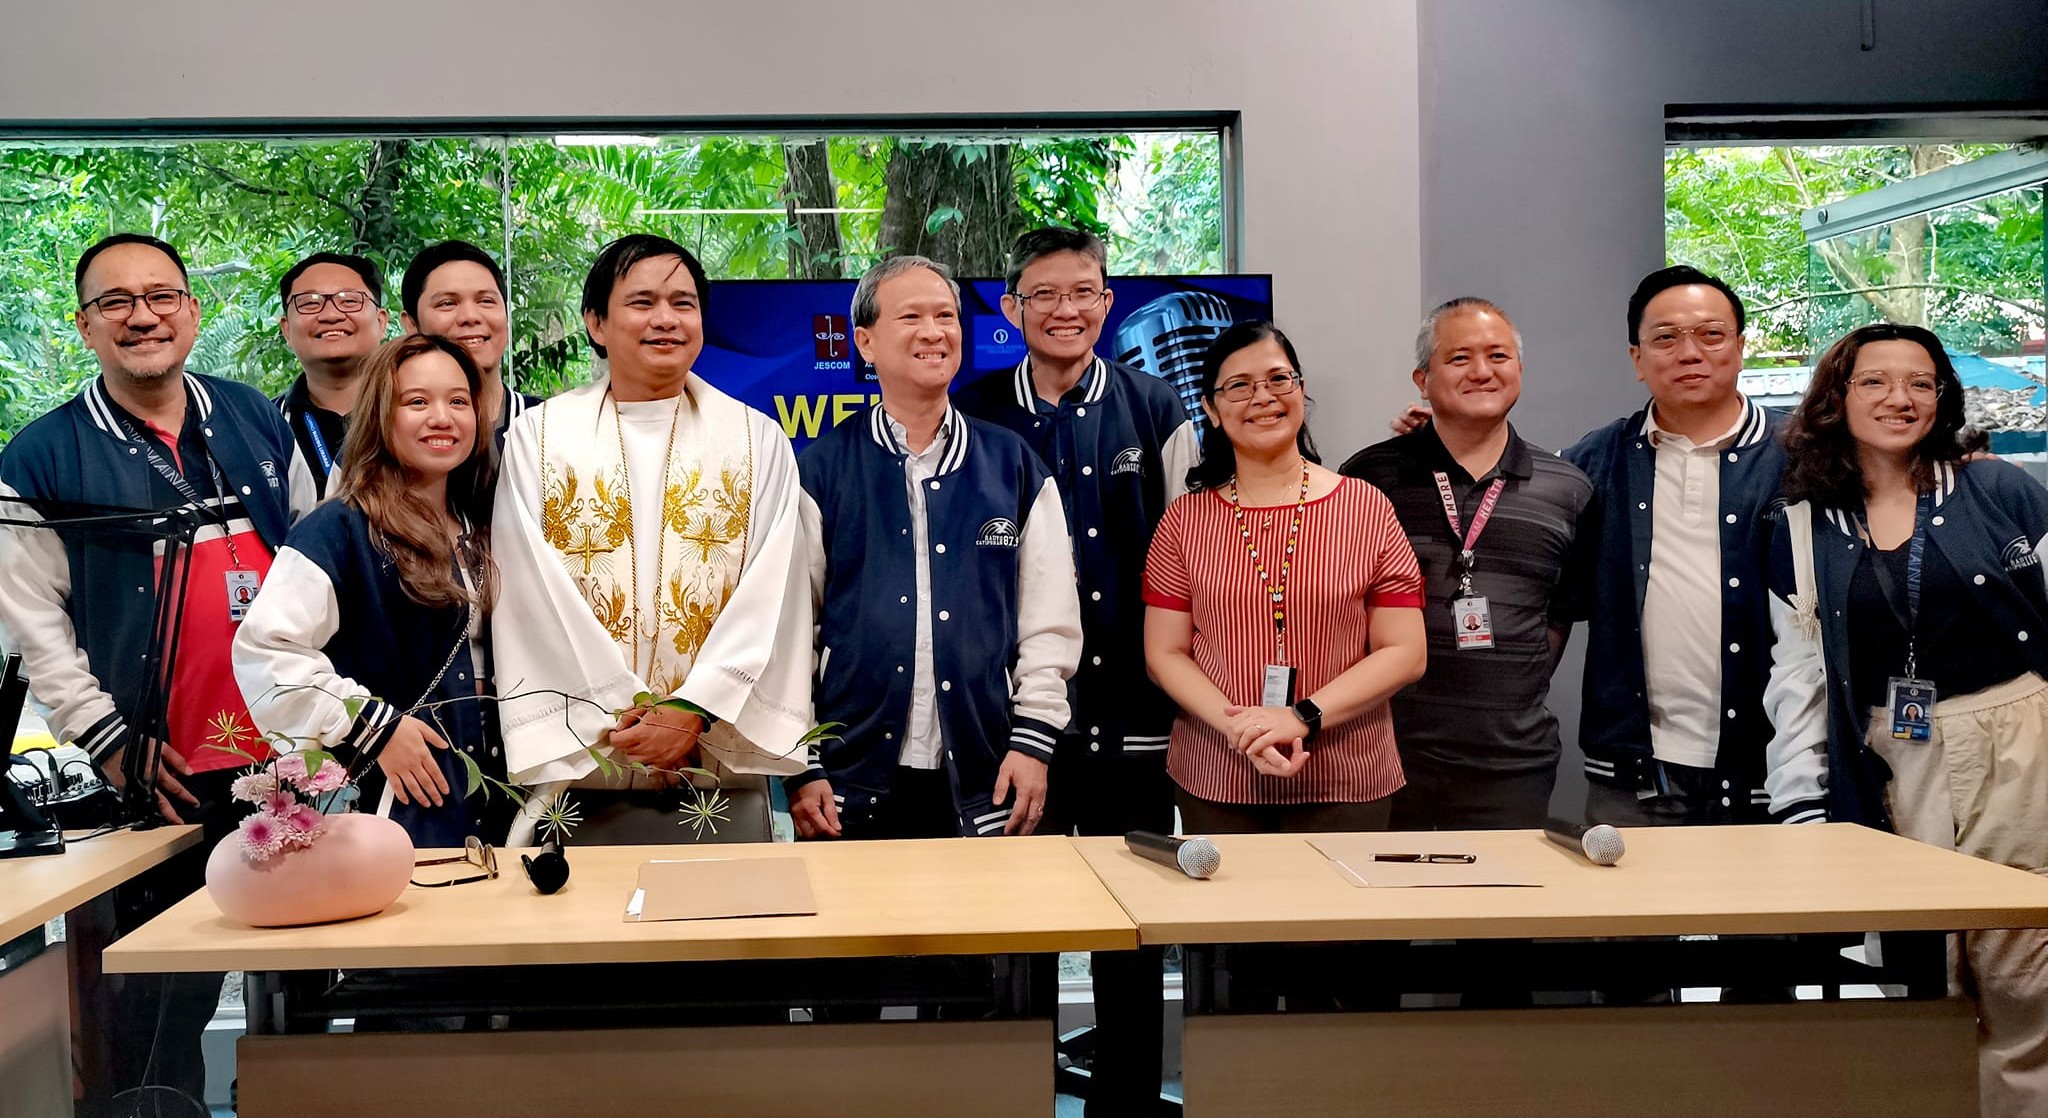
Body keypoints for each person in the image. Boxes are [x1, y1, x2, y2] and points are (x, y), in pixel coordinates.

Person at [0, 232, 313, 1113]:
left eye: (162, 295)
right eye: (116, 303)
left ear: (193, 310)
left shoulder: (252, 415)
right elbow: (34, 628)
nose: (143, 316)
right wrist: (105, 741)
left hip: (289, 766)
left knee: (303, 990)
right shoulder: (41, 458)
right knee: (157, 1015)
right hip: (162, 778)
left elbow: (310, 563)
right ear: (84, 327)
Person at [1762, 323, 2048, 1117]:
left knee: (2024, 964)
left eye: (1920, 383)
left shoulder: (2002, 490)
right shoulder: (1801, 523)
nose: (1900, 399)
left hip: (2020, 740)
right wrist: (1802, 801)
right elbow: (1800, 674)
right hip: (1892, 749)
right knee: (1926, 969)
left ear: (1943, 396)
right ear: (1838, 397)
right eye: (1876, 382)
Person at [952, 227, 1194, 1115]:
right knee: (1017, 931)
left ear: (1106, 304)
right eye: (1043, 295)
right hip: (1013, 727)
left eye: (1082, 292)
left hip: (1133, 715)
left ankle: (1123, 1106)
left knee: (1131, 927)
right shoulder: (974, 411)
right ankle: (1014, 1095)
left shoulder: (1156, 407)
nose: (1064, 310)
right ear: (1012, 310)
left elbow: (1194, 548)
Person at [491, 234, 814, 844]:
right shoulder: (538, 436)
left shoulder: (757, 439)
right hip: (585, 768)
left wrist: (694, 710)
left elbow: (776, 595)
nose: (665, 319)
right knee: (580, 937)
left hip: (713, 773)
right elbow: (530, 593)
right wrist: (624, 711)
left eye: (683, 303)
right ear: (596, 322)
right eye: (641, 302)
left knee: (722, 934)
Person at [787, 255, 1082, 841]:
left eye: (946, 315)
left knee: (987, 934)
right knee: (863, 932)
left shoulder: (1013, 466)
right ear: (865, 342)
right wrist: (802, 763)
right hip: (850, 780)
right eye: (911, 317)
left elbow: (1049, 625)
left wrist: (1034, 742)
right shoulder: (820, 469)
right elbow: (791, 631)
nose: (934, 331)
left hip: (989, 772)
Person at [1143, 321, 1426, 835]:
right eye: (1238, 386)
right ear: (1210, 408)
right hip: (1218, 776)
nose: (1263, 398)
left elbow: (1405, 652)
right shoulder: (1184, 520)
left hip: (1349, 779)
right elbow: (1165, 655)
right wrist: (1242, 728)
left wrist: (1300, 717)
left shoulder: (1366, 507)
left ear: (1300, 390)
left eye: (1279, 379)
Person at [235, 333, 514, 846]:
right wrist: (374, 728)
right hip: (397, 799)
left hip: (497, 789)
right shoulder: (339, 529)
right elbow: (266, 653)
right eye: (416, 401)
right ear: (381, 414)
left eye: (458, 401)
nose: (442, 417)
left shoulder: (490, 521)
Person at [1342, 298, 1595, 830]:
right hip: (1384, 756)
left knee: (1499, 909)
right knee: (1387, 907)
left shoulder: (1568, 488)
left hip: (1512, 762)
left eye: (1498, 355)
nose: (1482, 371)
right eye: (1459, 358)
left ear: (1519, 369)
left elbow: (1557, 616)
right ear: (1422, 378)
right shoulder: (1369, 478)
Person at [400, 240, 542, 444]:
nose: (470, 316)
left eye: (486, 301)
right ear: (412, 324)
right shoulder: (385, 435)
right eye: (447, 303)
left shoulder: (550, 426)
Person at [273, 251, 391, 497]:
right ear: (286, 329)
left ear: (381, 321)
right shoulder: (262, 427)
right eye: (309, 303)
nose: (330, 315)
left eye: (349, 300)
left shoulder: (422, 413)